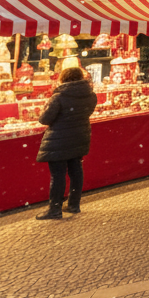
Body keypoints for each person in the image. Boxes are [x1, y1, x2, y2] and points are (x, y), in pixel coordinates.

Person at [35, 67, 96, 219]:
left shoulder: (59, 97)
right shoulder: (90, 95)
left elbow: (45, 119)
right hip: (79, 136)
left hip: (59, 139)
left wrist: (43, 110)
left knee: (58, 174)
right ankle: (74, 204)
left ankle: (55, 209)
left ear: (63, 79)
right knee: (76, 171)